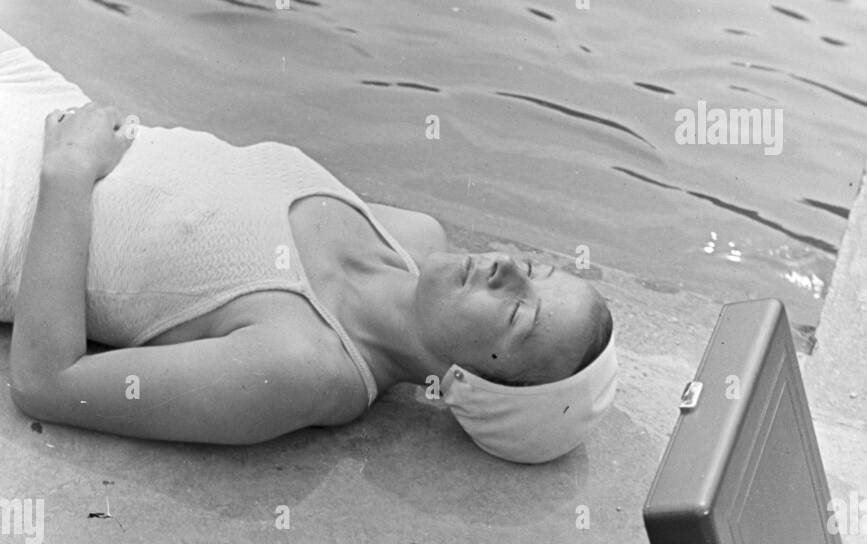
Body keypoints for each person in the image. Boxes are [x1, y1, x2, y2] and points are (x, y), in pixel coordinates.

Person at [1, 30, 616, 463]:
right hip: (35, 99)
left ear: (468, 384)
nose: (508, 267)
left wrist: (70, 174)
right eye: (535, 268)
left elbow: (48, 382)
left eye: (518, 313)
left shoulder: (300, 368)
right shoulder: (412, 235)